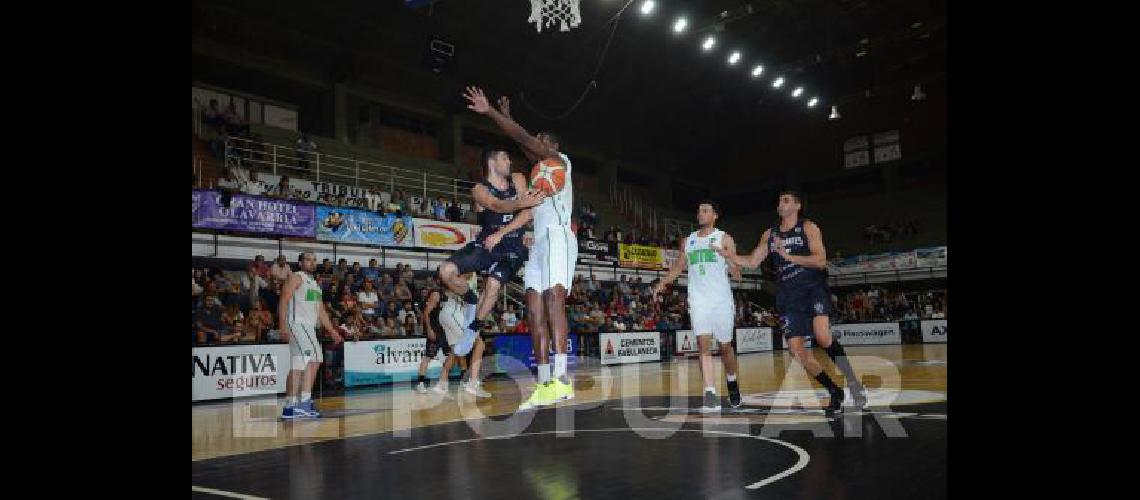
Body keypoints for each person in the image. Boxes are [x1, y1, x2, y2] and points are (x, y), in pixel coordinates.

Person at [464, 87, 577, 410]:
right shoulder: (537, 170)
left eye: (541, 141)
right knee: (533, 308)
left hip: (558, 237)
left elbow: (526, 140)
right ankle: (543, 384)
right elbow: (523, 142)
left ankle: (561, 379)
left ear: (552, 146)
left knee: (555, 298)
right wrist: (508, 119)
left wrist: (492, 113)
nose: (535, 145)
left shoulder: (558, 162)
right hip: (539, 242)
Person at [715, 191, 868, 413]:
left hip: (812, 288)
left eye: (786, 200)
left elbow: (821, 260)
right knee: (796, 351)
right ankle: (834, 390)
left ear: (797, 206)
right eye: (779, 200)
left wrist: (789, 257)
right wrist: (729, 256)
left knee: (823, 337)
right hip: (788, 294)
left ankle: (854, 385)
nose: (781, 203)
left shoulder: (808, 227)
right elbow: (751, 261)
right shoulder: (770, 234)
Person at [653, 201, 744, 411]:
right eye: (699, 211)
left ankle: (732, 382)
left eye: (705, 211)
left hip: (721, 300)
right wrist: (662, 283)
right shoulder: (689, 241)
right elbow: (678, 268)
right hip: (698, 300)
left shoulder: (724, 238)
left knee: (725, 347)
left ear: (715, 216)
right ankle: (710, 392)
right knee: (703, 346)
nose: (700, 214)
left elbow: (738, 276)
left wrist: (728, 258)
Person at [278, 252, 346, 419]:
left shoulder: (315, 284)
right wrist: (283, 325)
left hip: (308, 327)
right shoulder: (296, 277)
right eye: (308, 259)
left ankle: (290, 406)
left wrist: (332, 330)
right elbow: (283, 300)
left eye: (314, 260)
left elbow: (321, 311)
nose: (312, 262)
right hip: (297, 324)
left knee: (300, 363)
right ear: (300, 263)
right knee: (314, 359)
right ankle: (304, 402)